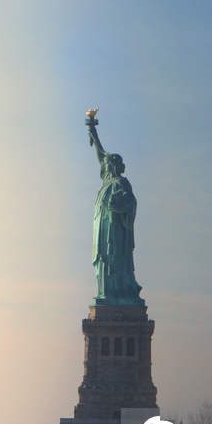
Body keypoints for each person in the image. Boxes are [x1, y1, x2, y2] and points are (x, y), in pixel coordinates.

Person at [86, 110, 143, 304]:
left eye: (110, 163)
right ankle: (106, 292)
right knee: (103, 259)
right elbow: (101, 156)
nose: (106, 165)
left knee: (114, 259)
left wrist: (117, 206)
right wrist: (93, 132)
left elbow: (131, 204)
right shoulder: (107, 182)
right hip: (102, 232)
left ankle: (119, 291)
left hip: (116, 234)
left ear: (116, 166)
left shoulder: (121, 183)